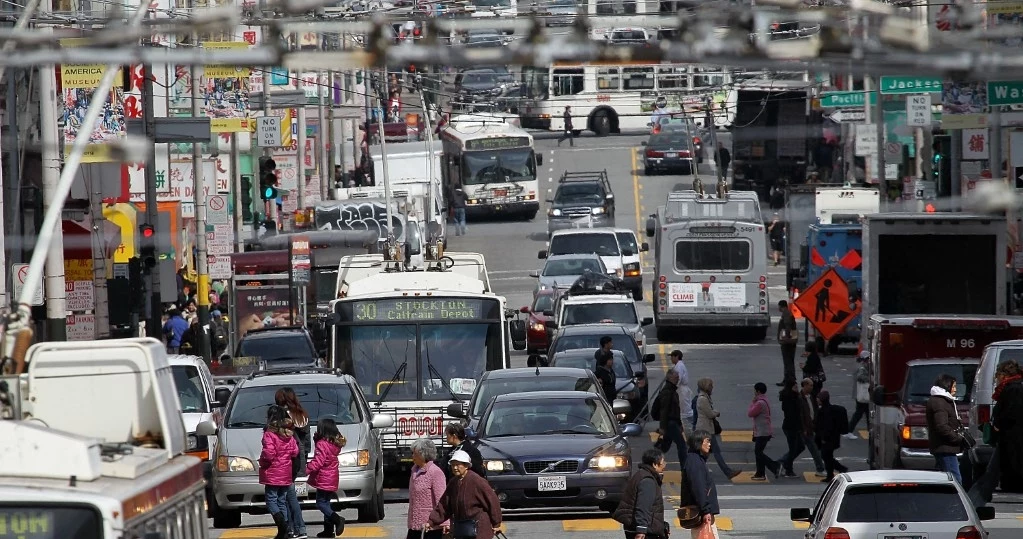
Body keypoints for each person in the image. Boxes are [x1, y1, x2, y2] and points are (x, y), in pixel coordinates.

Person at [970, 360, 1023, 506]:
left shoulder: (1013, 389)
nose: (996, 379)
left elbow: (1012, 413)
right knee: (992, 471)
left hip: (1011, 438)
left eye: (998, 375)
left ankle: (975, 500)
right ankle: (977, 499)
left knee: (991, 472)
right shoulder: (1013, 387)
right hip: (1009, 438)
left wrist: (998, 425)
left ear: (1004, 375)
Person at [427, 450, 503, 539]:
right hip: (462, 529)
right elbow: (444, 506)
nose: (455, 468)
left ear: (466, 465)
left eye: (458, 465)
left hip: (479, 529)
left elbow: (492, 501)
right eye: (452, 465)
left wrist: (497, 523)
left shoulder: (477, 481)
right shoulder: (453, 482)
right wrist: (431, 521)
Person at [260, 405, 299, 539]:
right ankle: (286, 529)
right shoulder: (289, 434)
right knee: (282, 500)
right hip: (286, 472)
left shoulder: (269, 434)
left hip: (272, 471)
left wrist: (263, 462)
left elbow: (269, 454)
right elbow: (295, 452)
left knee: (271, 500)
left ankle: (281, 524)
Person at [277, 388, 311, 539]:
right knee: (290, 496)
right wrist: (304, 456)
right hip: (299, 459)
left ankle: (296, 528)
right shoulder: (302, 415)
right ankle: (296, 528)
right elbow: (307, 442)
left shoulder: (282, 417)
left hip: (286, 460)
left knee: (287, 497)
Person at [613, 449, 668, 539]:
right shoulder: (647, 481)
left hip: (638, 527)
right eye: (662, 463)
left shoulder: (640, 475)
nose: (664, 466)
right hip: (644, 531)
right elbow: (643, 506)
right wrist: (641, 529)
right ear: (654, 464)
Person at [306, 418, 347, 538]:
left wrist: (306, 470)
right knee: (326, 503)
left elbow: (318, 461)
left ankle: (338, 519)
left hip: (323, 477)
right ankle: (328, 530)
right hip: (332, 477)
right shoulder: (334, 444)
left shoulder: (322, 444)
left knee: (320, 503)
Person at [694, 378, 739, 479]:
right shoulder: (703, 399)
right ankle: (727, 472)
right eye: (710, 385)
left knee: (704, 453)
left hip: (707, 429)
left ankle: (698, 470)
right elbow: (709, 414)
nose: (712, 387)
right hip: (705, 430)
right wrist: (716, 413)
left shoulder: (705, 398)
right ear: (705, 386)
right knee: (712, 452)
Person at [925, 374, 965, 484]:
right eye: (954, 386)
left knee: (943, 479)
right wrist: (956, 438)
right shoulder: (940, 402)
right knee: (955, 480)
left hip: (944, 446)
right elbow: (942, 426)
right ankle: (956, 501)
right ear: (947, 386)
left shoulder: (943, 400)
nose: (955, 390)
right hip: (945, 447)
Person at [682, 431, 722, 539]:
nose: (710, 444)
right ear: (698, 443)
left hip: (702, 512)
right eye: (707, 441)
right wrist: (705, 510)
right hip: (701, 513)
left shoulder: (696, 460)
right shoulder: (694, 461)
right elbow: (698, 487)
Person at [407, 438, 447, 539]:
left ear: (423, 455)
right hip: (414, 525)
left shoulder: (435, 472)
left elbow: (441, 499)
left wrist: (446, 523)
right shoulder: (414, 471)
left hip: (431, 526)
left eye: (415, 454)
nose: (412, 456)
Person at [748, 382, 780, 480]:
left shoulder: (759, 403)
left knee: (758, 452)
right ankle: (760, 473)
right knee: (759, 452)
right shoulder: (764, 400)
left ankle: (775, 466)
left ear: (757, 391)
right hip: (763, 431)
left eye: (755, 390)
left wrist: (752, 402)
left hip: (762, 432)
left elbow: (750, 413)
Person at [815, 390, 849, 482]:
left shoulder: (824, 411)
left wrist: (823, 438)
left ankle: (839, 469)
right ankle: (832, 473)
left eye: (818, 398)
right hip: (833, 438)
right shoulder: (831, 409)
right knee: (827, 456)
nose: (817, 399)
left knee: (826, 456)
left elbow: (824, 426)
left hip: (828, 439)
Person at [656, 370, 686, 467]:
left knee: (664, 447)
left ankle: (652, 460)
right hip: (670, 423)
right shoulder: (667, 392)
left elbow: (676, 410)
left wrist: (680, 424)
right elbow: (664, 410)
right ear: (670, 378)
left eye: (678, 377)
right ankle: (685, 469)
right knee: (682, 445)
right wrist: (662, 427)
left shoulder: (672, 390)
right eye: (675, 377)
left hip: (672, 423)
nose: (677, 379)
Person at [777, 378, 802, 478]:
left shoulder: (793, 397)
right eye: (795, 386)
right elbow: (793, 414)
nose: (797, 388)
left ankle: (784, 462)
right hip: (791, 426)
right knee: (793, 449)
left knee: (800, 446)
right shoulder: (790, 399)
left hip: (792, 426)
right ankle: (788, 469)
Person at [846, 351, 871, 439]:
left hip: (860, 394)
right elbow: (860, 377)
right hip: (861, 394)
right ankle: (849, 430)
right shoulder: (862, 367)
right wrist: (870, 379)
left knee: (866, 413)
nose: (869, 361)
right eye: (868, 359)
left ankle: (870, 431)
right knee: (860, 413)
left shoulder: (860, 365)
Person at [670, 350, 694, 436]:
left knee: (685, 410)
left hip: (681, 390)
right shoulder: (679, 365)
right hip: (682, 389)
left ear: (677, 357)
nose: (671, 359)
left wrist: (673, 387)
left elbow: (678, 379)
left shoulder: (679, 366)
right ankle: (685, 427)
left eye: (672, 357)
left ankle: (689, 429)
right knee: (684, 408)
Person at [776, 300, 798, 386]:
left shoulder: (786, 314)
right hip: (789, 342)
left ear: (781, 306)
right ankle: (788, 379)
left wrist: (786, 337)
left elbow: (787, 325)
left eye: (779, 307)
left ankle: (789, 380)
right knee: (789, 361)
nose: (778, 308)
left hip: (787, 343)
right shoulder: (787, 313)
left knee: (788, 361)